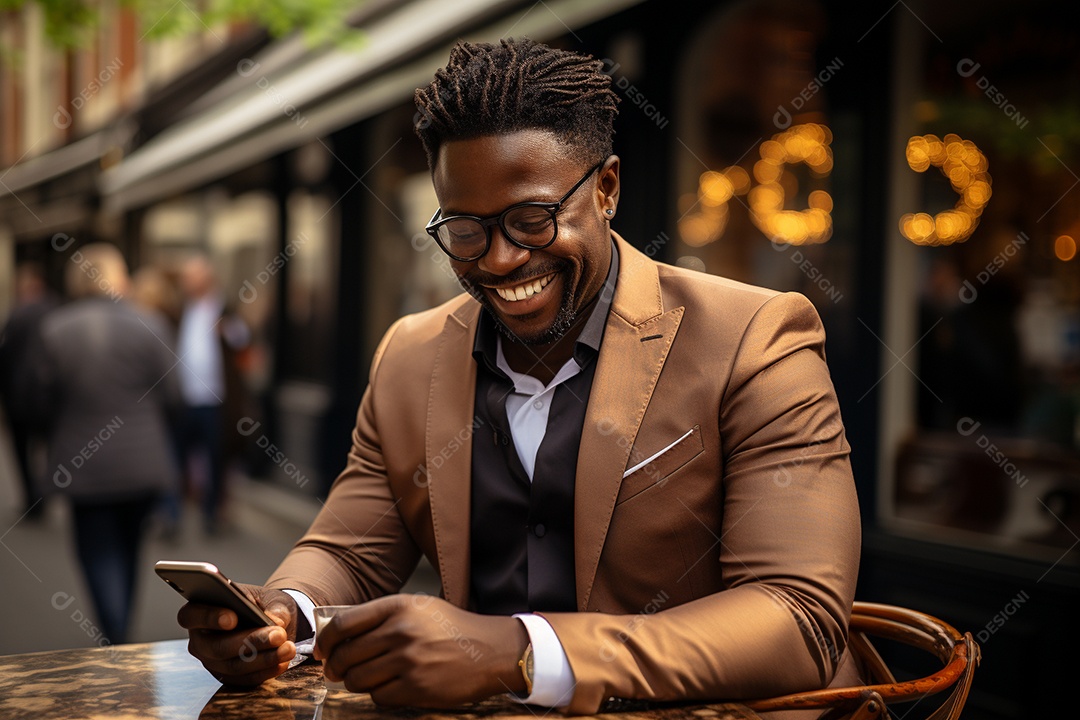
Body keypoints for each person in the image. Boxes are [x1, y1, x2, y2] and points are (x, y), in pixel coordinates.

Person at [179, 39, 861, 717]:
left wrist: (516, 653)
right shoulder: (409, 356)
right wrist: (281, 615)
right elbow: (348, 551)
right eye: (466, 231)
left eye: (532, 220)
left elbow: (796, 619)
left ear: (606, 189)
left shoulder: (755, 338)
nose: (501, 260)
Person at [37, 244, 181, 644]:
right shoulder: (151, 324)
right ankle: (120, 631)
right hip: (142, 463)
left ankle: (114, 632)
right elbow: (174, 396)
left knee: (97, 551)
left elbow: (37, 401)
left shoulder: (55, 329)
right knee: (131, 547)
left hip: (83, 466)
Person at [176, 254, 249, 534]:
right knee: (178, 456)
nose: (187, 283)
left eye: (192, 278)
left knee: (215, 457)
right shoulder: (184, 309)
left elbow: (242, 342)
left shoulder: (224, 309)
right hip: (187, 397)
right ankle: (175, 512)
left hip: (215, 399)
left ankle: (211, 514)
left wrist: (228, 330)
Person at [0, 263, 58, 520]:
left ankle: (32, 498)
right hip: (51, 394)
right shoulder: (58, 310)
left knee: (22, 449)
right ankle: (46, 492)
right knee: (50, 445)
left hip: (19, 395)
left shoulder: (18, 313)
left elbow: (5, 355)